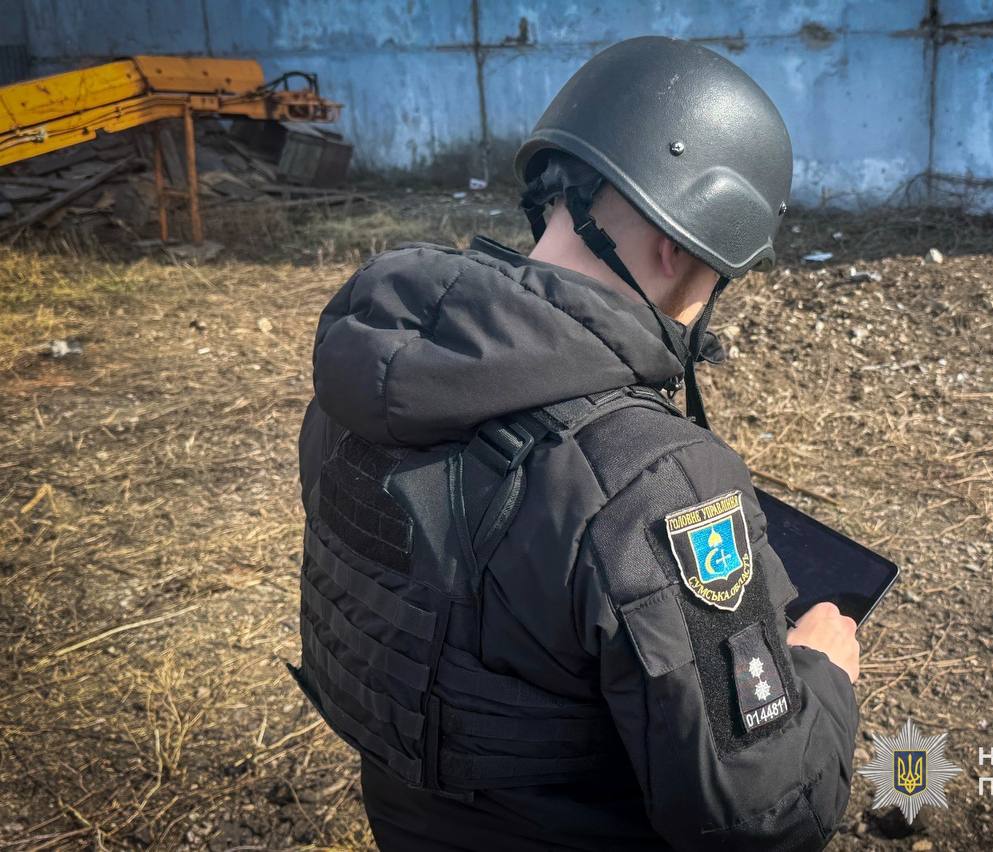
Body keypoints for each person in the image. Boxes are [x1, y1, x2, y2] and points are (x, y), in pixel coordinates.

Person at [292, 36, 861, 851]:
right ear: (678, 246)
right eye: (720, 270)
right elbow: (765, 819)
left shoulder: (360, 382)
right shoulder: (650, 482)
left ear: (557, 194)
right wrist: (824, 674)